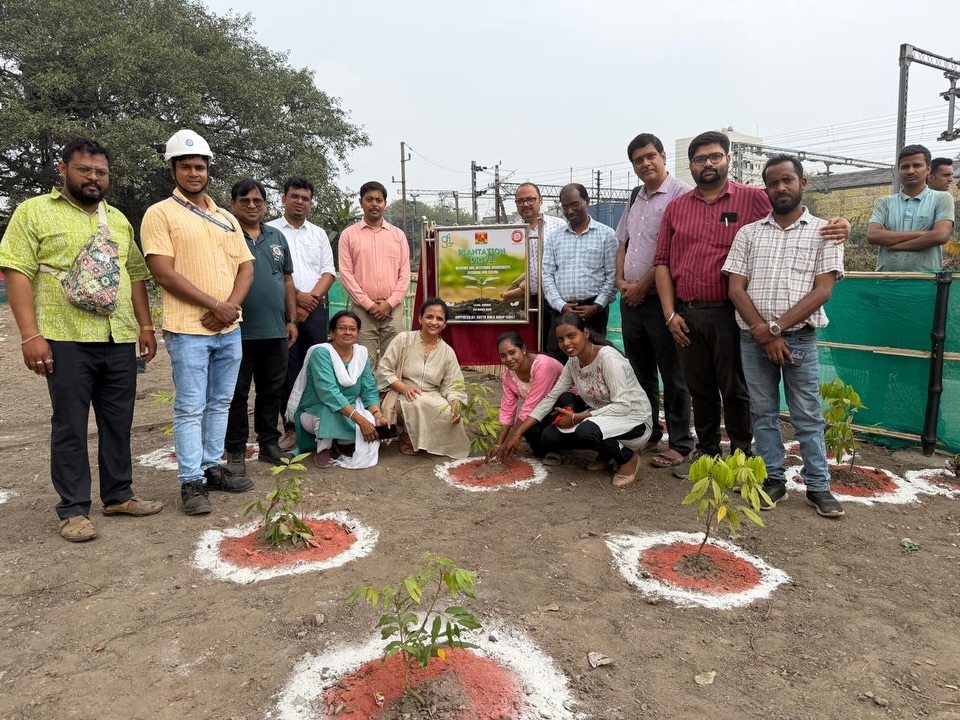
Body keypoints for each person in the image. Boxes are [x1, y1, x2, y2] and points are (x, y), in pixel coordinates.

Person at [654, 130, 850, 478]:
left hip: (733, 312)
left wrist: (841, 223)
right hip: (686, 313)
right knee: (699, 389)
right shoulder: (677, 208)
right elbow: (663, 262)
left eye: (715, 156)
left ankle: (741, 456)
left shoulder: (754, 199)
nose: (708, 163)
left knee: (736, 389)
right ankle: (707, 454)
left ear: (728, 159)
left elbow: (791, 214)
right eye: (700, 159)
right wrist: (670, 314)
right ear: (691, 165)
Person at [0, 137, 163, 542]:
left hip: (117, 336)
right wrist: (29, 335)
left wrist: (145, 327)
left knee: (118, 422)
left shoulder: (118, 219)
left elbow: (135, 275)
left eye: (100, 172)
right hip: (63, 337)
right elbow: (16, 270)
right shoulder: (34, 212)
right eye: (84, 170)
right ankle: (73, 509)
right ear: (63, 169)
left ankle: (118, 495)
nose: (93, 178)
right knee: (70, 425)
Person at [723, 155, 846, 518]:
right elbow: (735, 288)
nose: (781, 187)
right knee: (762, 412)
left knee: (807, 414)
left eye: (787, 180)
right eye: (773, 183)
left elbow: (823, 291)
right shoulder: (748, 233)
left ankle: (818, 486)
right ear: (766, 189)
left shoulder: (825, 232)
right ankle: (772, 479)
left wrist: (775, 329)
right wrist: (764, 335)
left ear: (801, 183)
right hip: (753, 340)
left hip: (799, 340)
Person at [141, 129, 255, 516]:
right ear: (173, 169)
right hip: (188, 329)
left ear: (208, 170)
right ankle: (191, 480)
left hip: (229, 328)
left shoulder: (226, 217)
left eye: (200, 166)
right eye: (186, 166)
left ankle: (210, 467)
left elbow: (246, 268)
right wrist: (215, 305)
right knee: (190, 407)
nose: (194, 173)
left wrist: (230, 308)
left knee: (220, 402)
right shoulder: (160, 214)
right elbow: (163, 272)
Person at [614, 132, 694, 469]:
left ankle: (681, 443)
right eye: (638, 160)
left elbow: (673, 252)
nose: (645, 163)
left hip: (663, 301)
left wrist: (640, 287)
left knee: (673, 374)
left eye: (650, 156)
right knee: (640, 372)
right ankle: (649, 432)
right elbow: (623, 242)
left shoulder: (682, 195)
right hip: (630, 301)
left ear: (663, 156)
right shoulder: (635, 196)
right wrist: (621, 282)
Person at [500, 313, 652, 487]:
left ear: (585, 333)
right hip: (602, 419)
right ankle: (606, 453)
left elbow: (623, 406)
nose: (566, 343)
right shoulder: (573, 362)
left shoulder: (608, 358)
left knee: (586, 431)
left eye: (571, 336)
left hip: (634, 421)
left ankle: (628, 458)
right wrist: (516, 434)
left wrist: (576, 418)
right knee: (549, 436)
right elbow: (551, 397)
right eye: (560, 339)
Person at [224, 179, 298, 476]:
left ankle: (269, 443)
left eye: (258, 201)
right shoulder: (226, 234)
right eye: (245, 201)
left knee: (272, 390)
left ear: (266, 205)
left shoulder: (277, 237)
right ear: (233, 203)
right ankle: (236, 450)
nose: (252, 206)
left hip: (275, 330)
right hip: (237, 331)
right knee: (237, 393)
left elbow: (287, 280)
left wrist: (291, 320)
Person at [266, 177, 336, 451]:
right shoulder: (269, 230)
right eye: (294, 196)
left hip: (314, 311)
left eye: (305, 198)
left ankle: (319, 425)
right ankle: (291, 428)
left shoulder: (318, 234)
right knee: (287, 370)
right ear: (283, 199)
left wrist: (310, 302)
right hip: (281, 310)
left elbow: (328, 271)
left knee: (318, 366)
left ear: (310, 203)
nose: (300, 202)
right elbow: (270, 271)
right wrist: (296, 298)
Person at [288, 311, 388, 468]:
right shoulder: (321, 353)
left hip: (351, 409)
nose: (348, 332)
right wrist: (361, 421)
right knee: (331, 411)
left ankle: (341, 442)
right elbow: (329, 393)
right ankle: (324, 448)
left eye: (352, 329)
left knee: (371, 427)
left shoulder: (361, 354)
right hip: (316, 410)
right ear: (332, 332)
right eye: (342, 328)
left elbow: (369, 388)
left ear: (358, 333)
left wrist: (377, 415)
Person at [377, 297, 470, 459]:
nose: (434, 322)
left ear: (445, 324)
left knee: (450, 412)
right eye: (429, 317)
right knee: (417, 401)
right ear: (420, 319)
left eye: (439, 319)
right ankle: (408, 433)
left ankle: (424, 438)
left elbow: (454, 384)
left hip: (432, 396)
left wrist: (455, 402)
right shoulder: (403, 339)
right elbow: (384, 370)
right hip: (400, 394)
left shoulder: (448, 352)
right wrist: (403, 387)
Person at [541, 183, 618, 362]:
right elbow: (547, 276)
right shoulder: (554, 238)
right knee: (558, 359)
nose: (569, 211)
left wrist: (597, 306)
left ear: (587, 201)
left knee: (593, 360)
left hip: (593, 312)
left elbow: (612, 276)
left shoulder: (606, 235)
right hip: (561, 310)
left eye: (575, 204)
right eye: (565, 206)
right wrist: (561, 305)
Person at [339, 181, 411, 368]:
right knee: (362, 364)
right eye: (369, 199)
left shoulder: (398, 235)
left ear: (385, 203)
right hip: (362, 311)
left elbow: (404, 274)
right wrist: (369, 305)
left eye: (379, 200)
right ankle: (364, 390)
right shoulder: (348, 235)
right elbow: (346, 274)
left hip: (393, 311)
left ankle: (391, 391)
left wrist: (390, 303)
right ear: (361, 202)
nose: (374, 204)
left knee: (395, 363)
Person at [867, 144, 954, 272]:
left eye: (917, 165)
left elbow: (940, 236)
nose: (910, 171)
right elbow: (873, 235)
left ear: (928, 169)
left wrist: (895, 245)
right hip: (885, 279)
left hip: (925, 280)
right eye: (905, 167)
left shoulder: (942, 198)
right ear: (898, 171)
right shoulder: (885, 202)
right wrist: (924, 234)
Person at [490, 331, 566, 463]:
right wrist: (499, 443)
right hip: (541, 411)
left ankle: (558, 446)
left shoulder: (543, 366)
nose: (508, 359)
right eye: (503, 356)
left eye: (512, 352)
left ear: (523, 349)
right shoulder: (508, 376)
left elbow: (530, 406)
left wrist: (512, 437)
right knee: (533, 440)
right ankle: (550, 445)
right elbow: (507, 410)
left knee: (540, 432)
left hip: (566, 408)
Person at [514, 183, 568, 349]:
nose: (525, 204)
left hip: (554, 297)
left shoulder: (558, 225)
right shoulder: (512, 229)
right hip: (525, 300)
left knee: (554, 345)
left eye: (530, 199)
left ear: (540, 200)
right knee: (529, 345)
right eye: (520, 201)